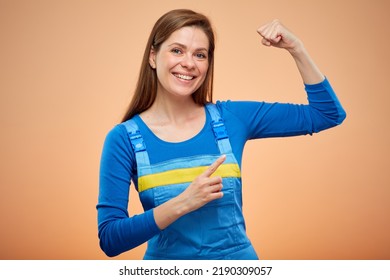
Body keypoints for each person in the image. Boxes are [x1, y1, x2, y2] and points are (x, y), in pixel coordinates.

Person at [96, 9, 346, 260]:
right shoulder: (123, 139)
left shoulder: (230, 119)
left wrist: (297, 48)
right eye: (177, 50)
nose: (189, 63)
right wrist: (183, 203)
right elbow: (110, 239)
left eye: (200, 55)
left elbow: (327, 114)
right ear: (153, 56)